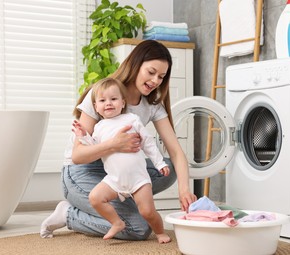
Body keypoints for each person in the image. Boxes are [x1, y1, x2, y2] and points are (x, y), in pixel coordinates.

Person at [40, 40, 197, 240]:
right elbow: (77, 156)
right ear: (135, 64)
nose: (156, 80)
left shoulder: (153, 105)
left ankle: (125, 203)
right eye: (151, 72)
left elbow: (176, 152)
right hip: (81, 172)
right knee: (139, 228)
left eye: (161, 76)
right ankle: (68, 213)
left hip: (116, 172)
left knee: (170, 169)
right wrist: (114, 144)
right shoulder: (104, 94)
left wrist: (184, 191)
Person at [73, 77, 171, 243]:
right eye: (103, 100)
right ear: (96, 107)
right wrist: (83, 136)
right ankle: (116, 222)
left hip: (138, 179)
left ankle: (160, 232)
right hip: (114, 180)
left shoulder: (131, 120)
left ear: (123, 102)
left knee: (147, 211)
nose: (108, 103)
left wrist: (160, 163)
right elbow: (94, 146)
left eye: (114, 99)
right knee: (95, 198)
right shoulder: (98, 127)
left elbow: (147, 142)